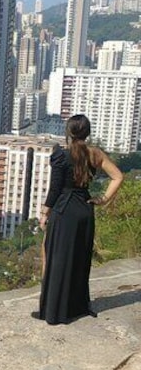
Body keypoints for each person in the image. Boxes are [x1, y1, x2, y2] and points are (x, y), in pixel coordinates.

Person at [36, 114, 123, 325]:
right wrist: (102, 199)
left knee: (53, 256)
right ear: (88, 132)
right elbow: (118, 176)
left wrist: (44, 212)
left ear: (68, 132)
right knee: (78, 258)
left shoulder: (60, 155)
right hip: (84, 209)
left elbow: (55, 188)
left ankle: (53, 309)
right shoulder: (95, 154)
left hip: (63, 210)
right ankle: (75, 306)